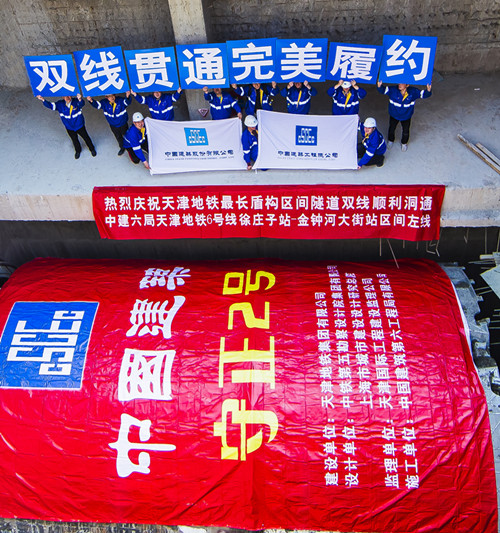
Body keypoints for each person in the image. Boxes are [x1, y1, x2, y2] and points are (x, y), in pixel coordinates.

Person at [377, 80, 432, 151]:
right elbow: (383, 90)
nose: (399, 84)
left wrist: (428, 90)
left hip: (406, 117)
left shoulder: (413, 92)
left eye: (402, 83)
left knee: (406, 131)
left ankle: (404, 143)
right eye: (399, 82)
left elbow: (424, 94)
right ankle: (391, 140)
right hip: (394, 115)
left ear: (407, 85)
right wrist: (379, 86)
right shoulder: (393, 90)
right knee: (392, 129)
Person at [36, 93, 96, 159]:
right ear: (62, 97)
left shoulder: (76, 101)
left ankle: (92, 149)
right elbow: (51, 105)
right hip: (69, 127)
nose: (67, 97)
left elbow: (82, 104)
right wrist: (43, 100)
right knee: (74, 140)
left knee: (86, 138)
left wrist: (79, 99)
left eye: (69, 95)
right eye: (65, 96)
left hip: (79, 126)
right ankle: (78, 151)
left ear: (71, 95)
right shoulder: (60, 104)